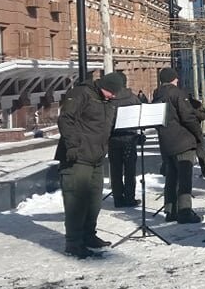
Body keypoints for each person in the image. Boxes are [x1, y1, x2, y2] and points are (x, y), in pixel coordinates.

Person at [54, 72, 128, 258]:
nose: (113, 96)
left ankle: (89, 235)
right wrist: (72, 145)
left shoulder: (107, 102)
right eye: (111, 92)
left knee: (94, 202)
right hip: (78, 157)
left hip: (96, 158)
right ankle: (74, 242)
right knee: (76, 202)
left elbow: (105, 129)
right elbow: (65, 119)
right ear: (104, 85)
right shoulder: (81, 94)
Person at [153, 67, 205, 223]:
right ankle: (184, 211)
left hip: (166, 141)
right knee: (184, 178)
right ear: (174, 79)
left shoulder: (157, 94)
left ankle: (170, 211)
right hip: (182, 141)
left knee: (171, 177)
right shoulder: (177, 93)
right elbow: (188, 117)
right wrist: (197, 133)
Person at [106, 71, 141, 208]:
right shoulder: (132, 98)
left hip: (113, 138)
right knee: (130, 170)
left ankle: (118, 199)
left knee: (115, 170)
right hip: (130, 138)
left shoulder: (109, 100)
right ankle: (129, 198)